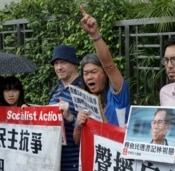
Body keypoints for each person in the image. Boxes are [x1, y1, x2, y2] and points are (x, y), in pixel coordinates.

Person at [73, 7, 130, 145]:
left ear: (105, 74)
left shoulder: (117, 95)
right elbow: (77, 141)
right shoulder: (85, 102)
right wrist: (79, 124)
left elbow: (109, 66)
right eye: (85, 74)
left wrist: (95, 35)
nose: (89, 77)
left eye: (94, 72)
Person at [49, 44, 82, 171]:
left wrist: (70, 117)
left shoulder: (83, 90)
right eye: (56, 63)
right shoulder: (56, 90)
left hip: (76, 161)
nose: (59, 67)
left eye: (63, 62)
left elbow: (92, 129)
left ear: (74, 64)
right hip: (55, 160)